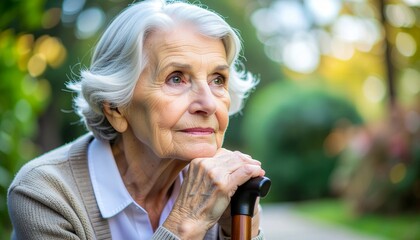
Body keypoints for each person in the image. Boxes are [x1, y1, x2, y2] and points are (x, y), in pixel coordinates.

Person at [8, 0, 266, 239]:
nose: (208, 104)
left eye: (217, 79)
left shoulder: (221, 187)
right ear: (115, 108)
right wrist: (186, 223)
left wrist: (240, 232)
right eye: (176, 78)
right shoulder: (45, 193)